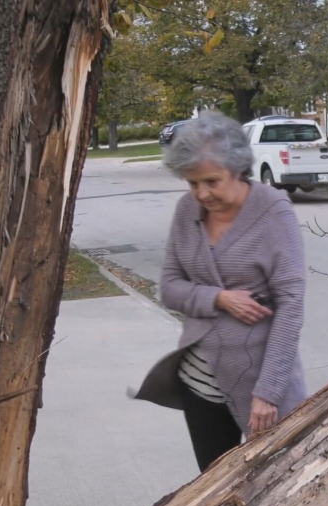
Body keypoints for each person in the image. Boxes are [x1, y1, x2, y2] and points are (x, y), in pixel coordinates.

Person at [132, 110, 308, 472]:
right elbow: (169, 288)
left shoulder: (273, 211)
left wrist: (269, 391)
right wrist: (219, 298)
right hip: (199, 382)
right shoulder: (187, 211)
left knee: (278, 484)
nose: (202, 193)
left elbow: (291, 306)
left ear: (238, 167)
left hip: (261, 380)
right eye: (192, 183)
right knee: (215, 488)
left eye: (212, 181)